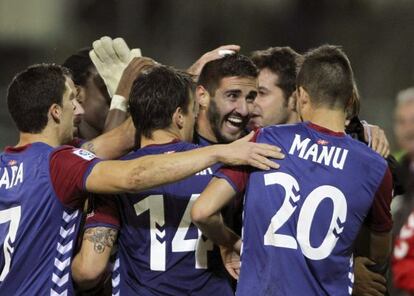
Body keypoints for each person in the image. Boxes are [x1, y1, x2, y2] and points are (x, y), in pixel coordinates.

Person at [0, 63, 282, 295]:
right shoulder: (64, 163)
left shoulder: (8, 165)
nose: (80, 110)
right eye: (72, 99)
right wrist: (220, 152)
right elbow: (134, 174)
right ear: (55, 111)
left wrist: (137, 95)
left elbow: (89, 269)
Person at [192, 45, 393, 295]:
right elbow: (379, 252)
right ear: (350, 99)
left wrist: (229, 242)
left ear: (301, 96)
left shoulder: (263, 141)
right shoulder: (374, 166)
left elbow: (202, 211)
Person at [72, 66, 259, 295]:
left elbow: (89, 270)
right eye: (193, 111)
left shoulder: (113, 176)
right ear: (179, 117)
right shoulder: (224, 167)